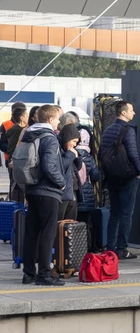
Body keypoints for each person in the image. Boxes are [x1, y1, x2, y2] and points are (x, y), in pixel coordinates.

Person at [18, 105, 66, 286]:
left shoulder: (29, 134)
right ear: (50, 119)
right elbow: (49, 166)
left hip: (31, 188)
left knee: (32, 232)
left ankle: (28, 273)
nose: (59, 122)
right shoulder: (49, 138)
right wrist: (61, 182)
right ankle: (44, 274)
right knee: (47, 232)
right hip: (48, 191)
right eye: (57, 118)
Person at [99, 100, 140, 260]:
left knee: (114, 213)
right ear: (123, 112)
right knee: (126, 213)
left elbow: (101, 152)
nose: (134, 113)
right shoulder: (128, 130)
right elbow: (132, 153)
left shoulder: (108, 129)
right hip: (127, 176)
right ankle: (122, 248)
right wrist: (139, 171)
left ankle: (110, 247)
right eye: (131, 110)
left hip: (112, 176)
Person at [73, 128, 102, 248]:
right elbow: (95, 176)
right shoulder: (89, 158)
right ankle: (87, 247)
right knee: (85, 224)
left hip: (75, 196)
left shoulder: (71, 154)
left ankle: (74, 247)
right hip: (87, 197)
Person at [56, 123, 81, 221]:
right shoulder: (57, 149)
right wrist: (70, 155)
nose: (75, 145)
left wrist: (77, 157)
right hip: (62, 193)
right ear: (67, 138)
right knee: (60, 221)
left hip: (72, 191)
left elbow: (76, 168)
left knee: (71, 223)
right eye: (74, 141)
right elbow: (60, 166)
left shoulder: (70, 151)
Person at [6, 105, 26, 202]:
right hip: (14, 160)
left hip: (14, 159)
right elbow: (13, 147)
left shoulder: (15, 128)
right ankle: (15, 207)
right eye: (26, 115)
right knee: (16, 185)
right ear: (22, 118)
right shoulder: (18, 130)